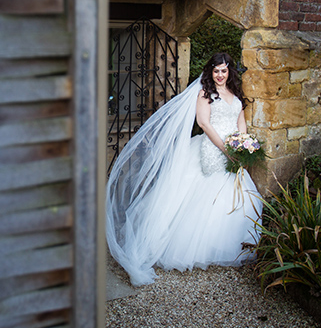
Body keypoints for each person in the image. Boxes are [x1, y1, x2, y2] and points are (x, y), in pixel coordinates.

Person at [105, 52, 263, 286]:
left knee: (233, 191)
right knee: (207, 190)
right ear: (211, 72)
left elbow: (241, 120)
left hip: (233, 147)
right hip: (212, 146)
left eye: (224, 71)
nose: (220, 75)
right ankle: (191, 246)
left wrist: (243, 143)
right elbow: (204, 123)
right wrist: (225, 148)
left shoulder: (236, 94)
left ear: (229, 72)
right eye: (216, 71)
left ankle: (225, 244)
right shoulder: (205, 93)